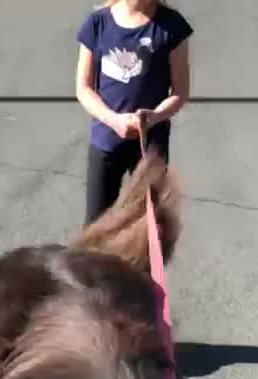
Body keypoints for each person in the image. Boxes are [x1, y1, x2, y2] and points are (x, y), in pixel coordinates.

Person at [75, 0, 192, 224]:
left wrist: (154, 117)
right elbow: (83, 88)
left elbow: (180, 93)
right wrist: (113, 120)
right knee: (96, 223)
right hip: (105, 142)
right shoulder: (97, 23)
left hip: (149, 147)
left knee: (147, 223)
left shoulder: (171, 26)